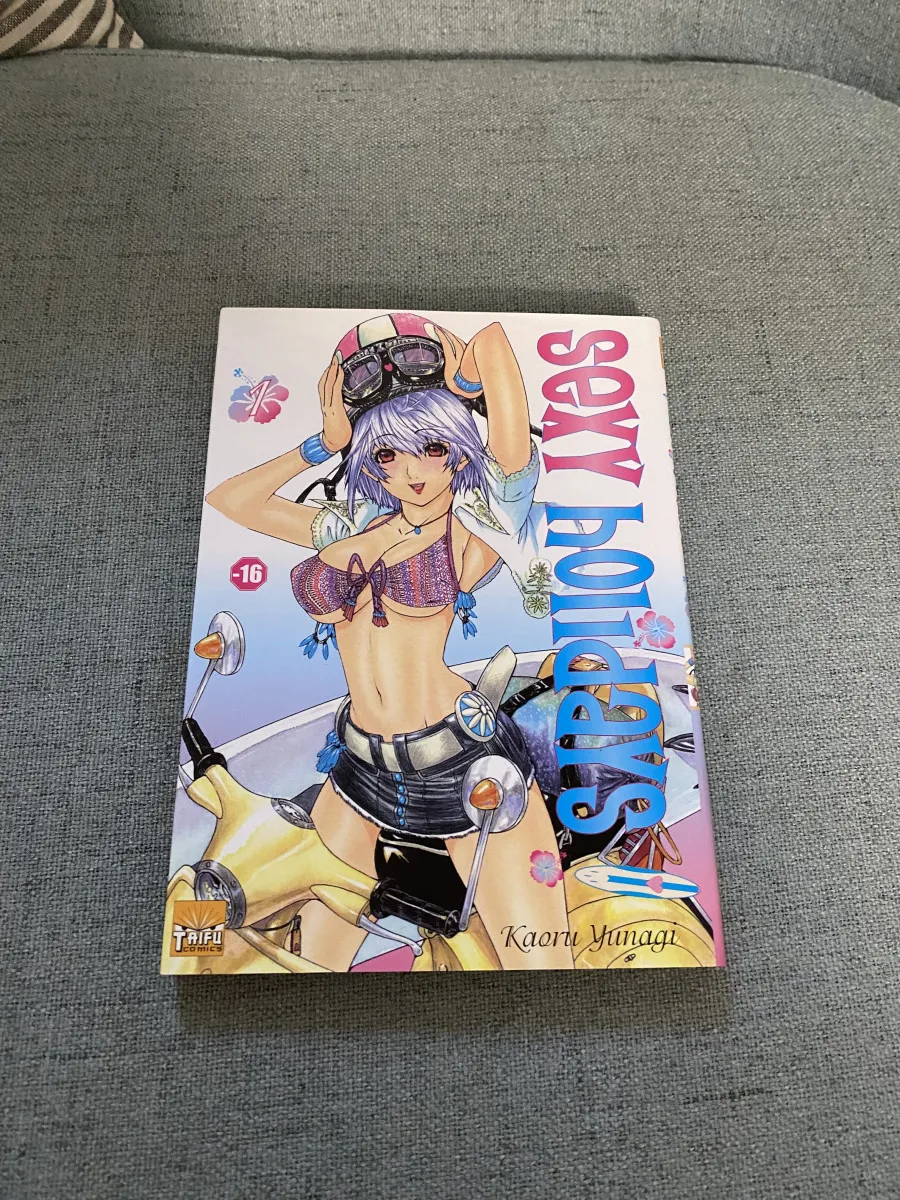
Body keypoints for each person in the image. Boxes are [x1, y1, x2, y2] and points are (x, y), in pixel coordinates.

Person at [207, 316, 573, 970]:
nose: (412, 470)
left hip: (465, 767)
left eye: (432, 446)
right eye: (387, 455)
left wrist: (464, 383)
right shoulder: (349, 525)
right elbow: (231, 499)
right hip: (358, 771)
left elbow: (493, 341)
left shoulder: (478, 523)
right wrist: (321, 445)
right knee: (311, 969)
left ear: (459, 446)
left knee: (542, 965)